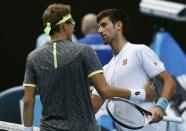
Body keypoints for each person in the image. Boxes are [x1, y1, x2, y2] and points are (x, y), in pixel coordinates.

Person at [23, 4, 156, 131]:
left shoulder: (32, 57)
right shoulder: (84, 51)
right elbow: (105, 91)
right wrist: (141, 93)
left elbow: (28, 101)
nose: (74, 28)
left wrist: (27, 130)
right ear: (64, 26)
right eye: (72, 24)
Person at [91, 9, 176, 131]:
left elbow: (169, 81)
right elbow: (93, 105)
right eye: (99, 27)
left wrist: (160, 107)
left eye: (104, 25)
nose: (99, 31)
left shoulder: (139, 51)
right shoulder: (106, 69)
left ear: (118, 26)